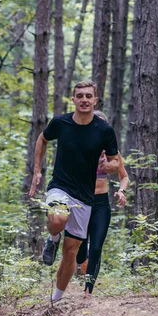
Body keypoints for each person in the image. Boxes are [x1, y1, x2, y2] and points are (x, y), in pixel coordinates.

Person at [28, 81, 120, 302]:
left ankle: (56, 300)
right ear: (73, 99)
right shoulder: (61, 122)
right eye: (80, 95)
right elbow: (42, 139)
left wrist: (109, 166)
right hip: (60, 187)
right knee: (58, 218)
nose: (84, 100)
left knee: (71, 252)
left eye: (89, 96)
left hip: (86, 197)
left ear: (95, 100)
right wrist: (37, 170)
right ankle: (53, 236)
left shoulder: (104, 130)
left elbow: (116, 162)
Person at [76, 111, 129, 296]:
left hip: (101, 203)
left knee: (97, 247)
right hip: (81, 203)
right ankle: (83, 259)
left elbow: (124, 176)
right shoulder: (79, 147)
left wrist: (122, 191)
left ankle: (88, 292)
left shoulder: (111, 153)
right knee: (80, 253)